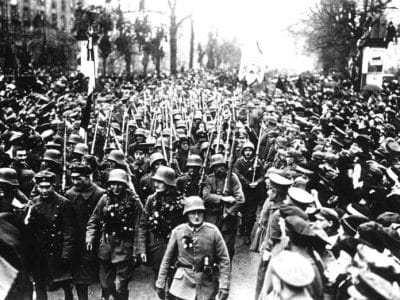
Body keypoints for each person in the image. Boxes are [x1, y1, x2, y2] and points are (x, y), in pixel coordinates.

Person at [155, 196, 231, 300]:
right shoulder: (178, 232)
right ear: (186, 214)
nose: (196, 217)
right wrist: (160, 282)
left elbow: (224, 259)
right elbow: (167, 259)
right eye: (192, 213)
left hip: (206, 282)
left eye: (199, 213)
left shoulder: (213, 231)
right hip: (182, 284)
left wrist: (224, 286)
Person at [86, 169, 144, 300]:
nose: (116, 188)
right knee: (105, 283)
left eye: (119, 184)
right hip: (106, 246)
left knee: (121, 285)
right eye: (113, 184)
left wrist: (137, 250)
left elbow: (140, 226)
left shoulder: (134, 201)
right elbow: (94, 220)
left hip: (124, 247)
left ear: (125, 185)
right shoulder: (104, 199)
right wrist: (90, 238)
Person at [27, 170, 75, 300]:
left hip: (58, 250)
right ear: (36, 187)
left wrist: (66, 254)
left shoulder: (64, 203)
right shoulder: (33, 202)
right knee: (39, 283)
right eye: (41, 187)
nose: (44, 190)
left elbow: (69, 231)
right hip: (40, 250)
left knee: (65, 283)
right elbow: (29, 229)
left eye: (47, 187)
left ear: (54, 185)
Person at [64, 163, 106, 300]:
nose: (75, 182)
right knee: (80, 277)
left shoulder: (100, 193)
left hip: (96, 240)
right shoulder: (69, 194)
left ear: (88, 177)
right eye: (73, 178)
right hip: (77, 241)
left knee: (103, 274)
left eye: (79, 179)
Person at [139, 165, 185, 283]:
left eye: (160, 182)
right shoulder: (151, 200)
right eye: (155, 181)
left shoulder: (181, 202)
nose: (156, 185)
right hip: (157, 245)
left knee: (175, 279)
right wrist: (142, 249)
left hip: (176, 245)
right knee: (159, 278)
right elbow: (143, 225)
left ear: (168, 183)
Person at [203, 153, 245, 260]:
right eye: (216, 167)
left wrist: (229, 212)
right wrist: (222, 198)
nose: (219, 169)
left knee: (227, 249)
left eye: (221, 166)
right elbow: (206, 196)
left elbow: (240, 199)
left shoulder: (232, 178)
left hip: (229, 219)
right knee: (210, 247)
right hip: (212, 217)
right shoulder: (209, 179)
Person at [234, 141, 266, 244]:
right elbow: (237, 174)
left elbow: (262, 176)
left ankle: (248, 234)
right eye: (246, 150)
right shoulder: (239, 162)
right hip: (243, 190)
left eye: (250, 150)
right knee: (242, 211)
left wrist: (256, 182)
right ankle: (242, 226)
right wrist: (247, 183)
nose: (248, 153)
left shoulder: (258, 162)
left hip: (254, 192)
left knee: (251, 214)